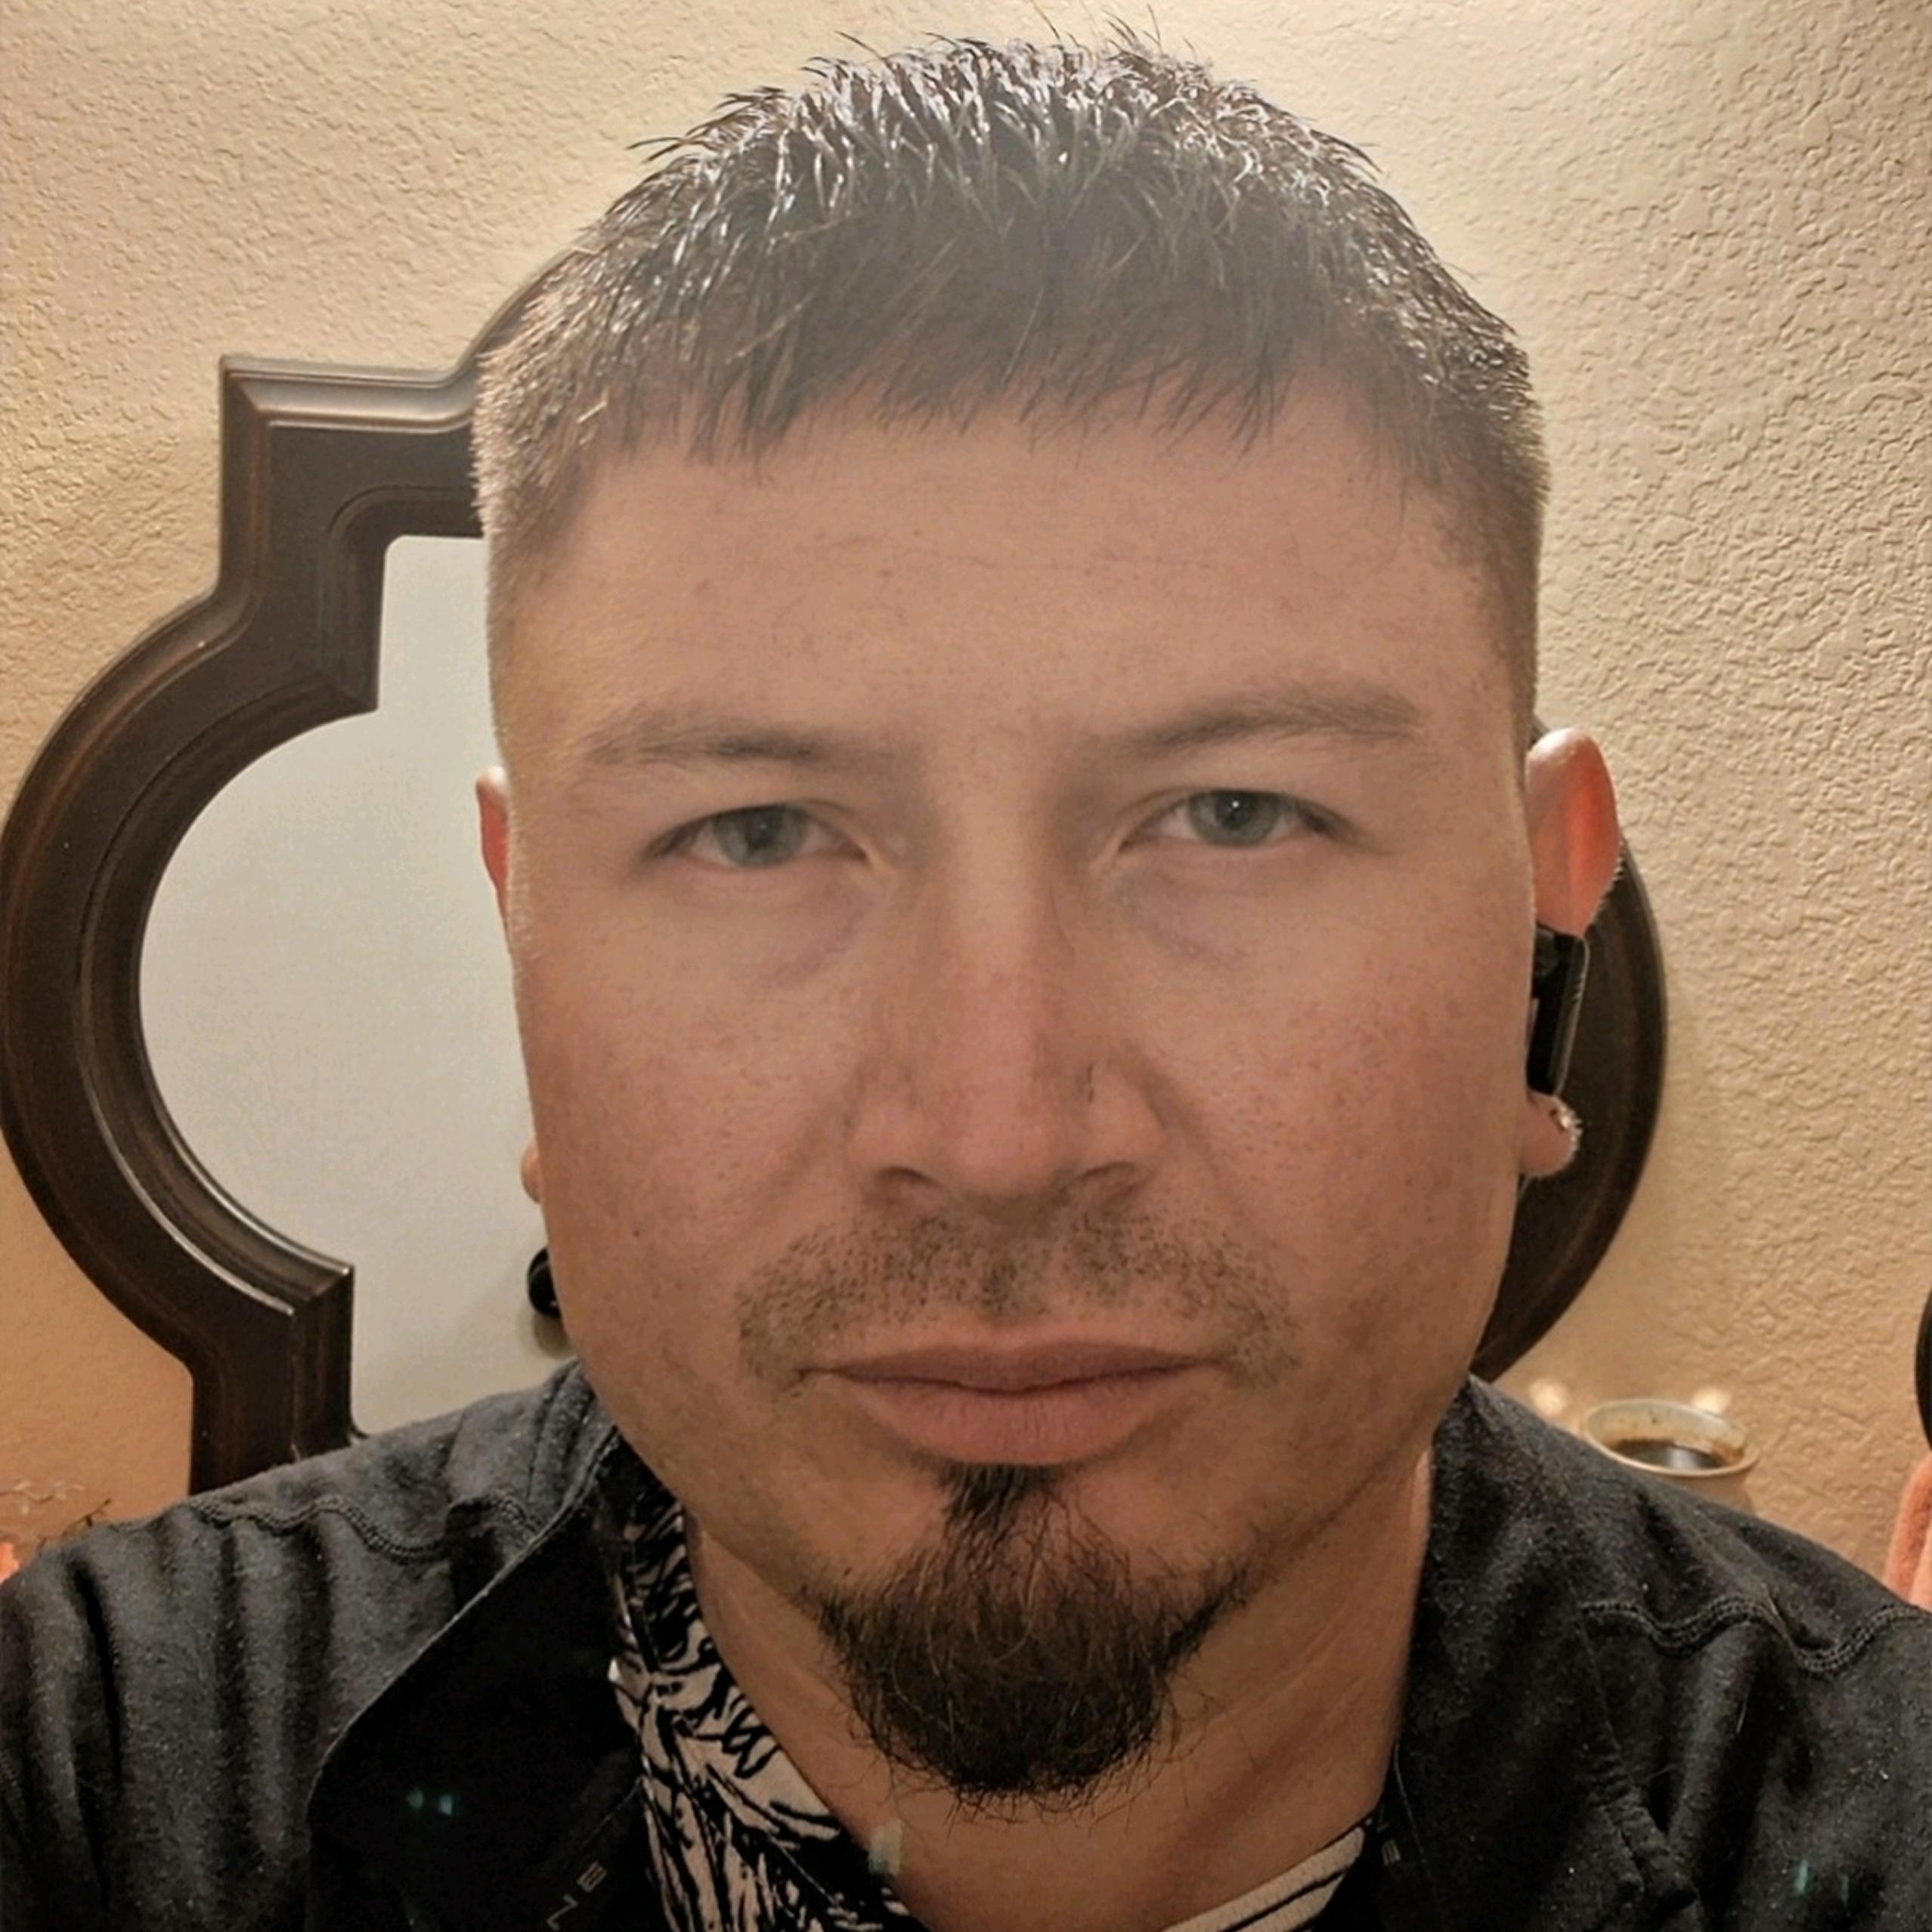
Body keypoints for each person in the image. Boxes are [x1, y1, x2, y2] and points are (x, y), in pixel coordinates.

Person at [2, 33, 1927, 1932]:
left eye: (1236, 813)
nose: (999, 1139)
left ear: (1540, 923)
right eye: (758, 831)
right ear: (529, 939)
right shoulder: (78, 1776)